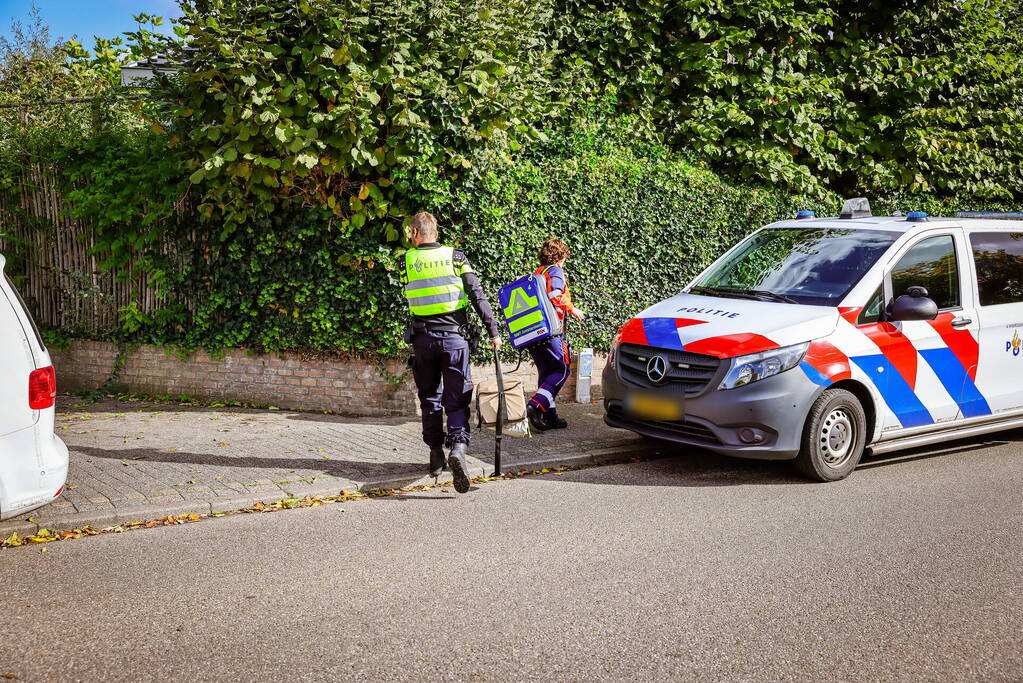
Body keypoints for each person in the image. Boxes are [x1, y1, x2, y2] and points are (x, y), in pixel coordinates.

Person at [401, 211, 501, 494]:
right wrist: (493, 332)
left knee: (429, 397)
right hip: (455, 340)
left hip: (423, 340)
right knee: (456, 399)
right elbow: (476, 294)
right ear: (436, 232)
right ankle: (458, 447)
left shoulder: (406, 261)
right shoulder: (456, 257)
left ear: (414, 233)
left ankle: (435, 455)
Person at [526, 238, 585, 432]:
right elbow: (555, 295)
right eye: (564, 256)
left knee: (546, 373)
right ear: (559, 257)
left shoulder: (538, 272)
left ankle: (550, 417)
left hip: (535, 333)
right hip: (551, 332)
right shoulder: (555, 271)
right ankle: (535, 405)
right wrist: (573, 309)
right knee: (562, 369)